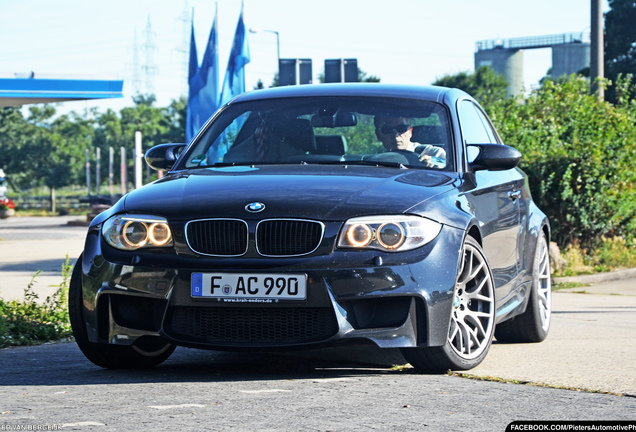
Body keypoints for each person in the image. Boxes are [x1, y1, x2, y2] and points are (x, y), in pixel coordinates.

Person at [374, 116, 446, 168]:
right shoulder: (372, 162)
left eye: (401, 128)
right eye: (388, 129)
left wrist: (434, 161)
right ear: (378, 135)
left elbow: (448, 166)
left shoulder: (433, 152)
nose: (396, 135)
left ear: (410, 131)